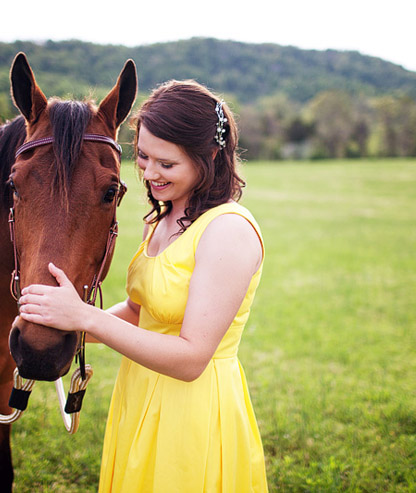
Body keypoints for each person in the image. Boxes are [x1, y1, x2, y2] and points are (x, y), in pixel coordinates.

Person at [18, 80, 268, 492]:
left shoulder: (228, 231)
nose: (150, 173)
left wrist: (85, 317)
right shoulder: (165, 218)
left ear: (209, 157)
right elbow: (140, 312)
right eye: (144, 157)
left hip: (191, 410)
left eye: (166, 164)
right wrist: (60, 321)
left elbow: (192, 359)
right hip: (140, 392)